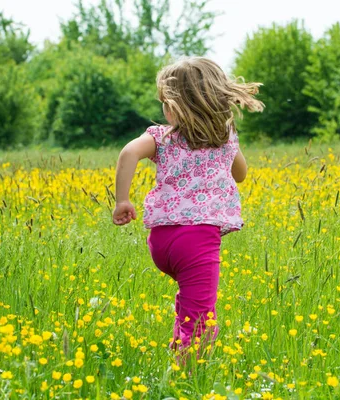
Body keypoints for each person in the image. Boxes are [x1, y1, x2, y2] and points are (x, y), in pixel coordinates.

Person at [113, 57, 264, 363]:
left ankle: (179, 356)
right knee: (201, 323)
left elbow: (128, 152)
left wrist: (122, 200)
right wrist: (226, 150)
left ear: (172, 106)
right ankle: (190, 378)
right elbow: (241, 174)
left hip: (162, 241)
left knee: (188, 305)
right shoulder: (224, 136)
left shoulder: (160, 137)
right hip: (197, 242)